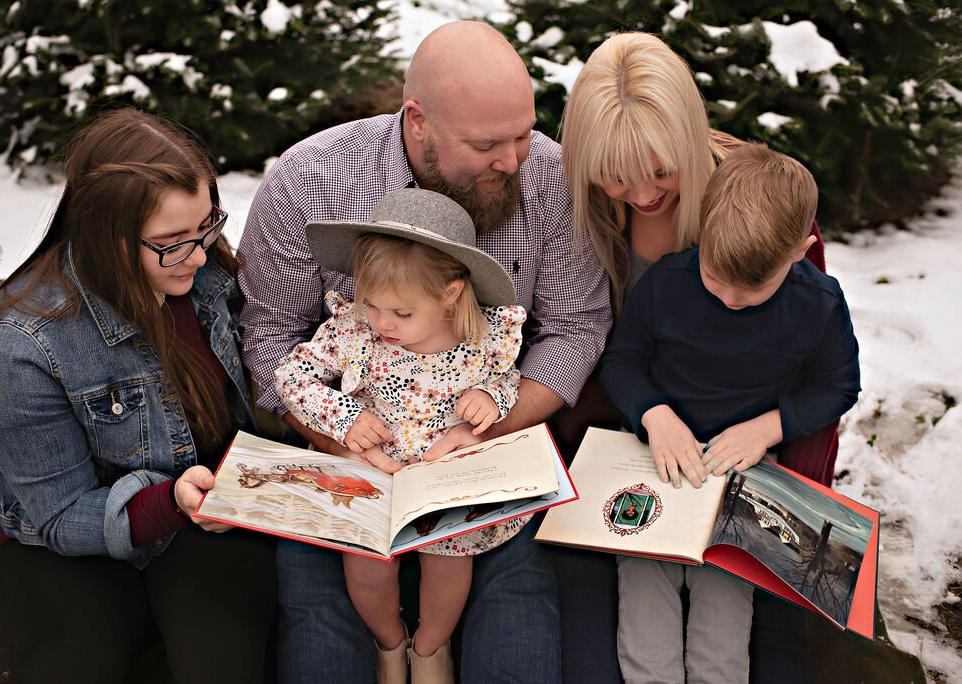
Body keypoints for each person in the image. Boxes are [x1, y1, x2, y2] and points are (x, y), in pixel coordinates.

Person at [238, 19, 611, 684]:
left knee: (520, 602)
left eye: (524, 133)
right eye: (486, 144)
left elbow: (576, 327)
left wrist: (487, 425)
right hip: (349, 455)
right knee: (322, 614)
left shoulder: (551, 179)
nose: (514, 160)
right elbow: (271, 340)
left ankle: (431, 650)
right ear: (417, 121)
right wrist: (339, 437)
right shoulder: (306, 181)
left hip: (485, 459)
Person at [0, 108, 276, 684]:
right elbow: (57, 516)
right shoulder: (17, 345)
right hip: (78, 544)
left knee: (224, 658)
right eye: (171, 243)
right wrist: (167, 502)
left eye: (207, 226)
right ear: (103, 235)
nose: (201, 255)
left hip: (205, 522)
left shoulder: (204, 278)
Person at [599, 142, 861, 684]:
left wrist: (770, 427)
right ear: (704, 234)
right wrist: (654, 414)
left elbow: (838, 386)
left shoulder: (819, 304)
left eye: (753, 290)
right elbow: (621, 360)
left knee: (725, 600)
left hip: (743, 483)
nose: (730, 300)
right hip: (656, 463)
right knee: (645, 584)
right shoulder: (667, 283)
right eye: (716, 277)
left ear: (801, 250)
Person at [276, 188, 530, 683]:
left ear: (451, 293)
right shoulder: (355, 330)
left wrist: (492, 401)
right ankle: (388, 641)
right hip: (373, 471)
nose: (383, 324)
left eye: (402, 314)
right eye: (372, 305)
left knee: (449, 567)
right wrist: (343, 416)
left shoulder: (482, 337)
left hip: (443, 477)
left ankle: (430, 648)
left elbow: (508, 379)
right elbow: (291, 375)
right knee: (367, 567)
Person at [558, 31, 836, 484]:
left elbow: (816, 365)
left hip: (742, 453)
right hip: (620, 444)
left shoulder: (761, 205)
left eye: (662, 171)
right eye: (616, 177)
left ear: (687, 136)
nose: (644, 195)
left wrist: (800, 489)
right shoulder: (577, 208)